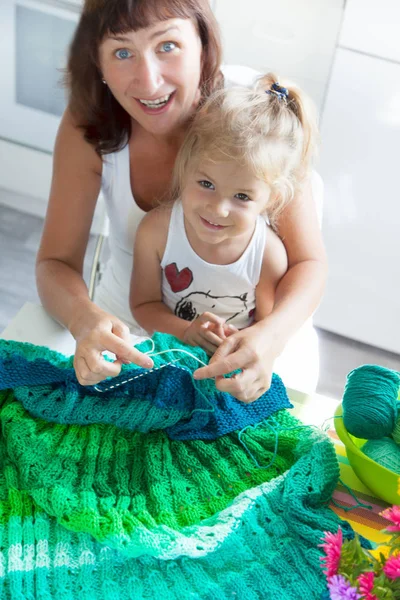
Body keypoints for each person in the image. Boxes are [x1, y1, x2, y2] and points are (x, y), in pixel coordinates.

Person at [36, 0, 327, 402]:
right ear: (97, 64)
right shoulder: (88, 123)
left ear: (203, 44)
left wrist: (269, 337)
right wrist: (84, 320)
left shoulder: (257, 115)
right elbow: (55, 264)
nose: (149, 81)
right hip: (129, 320)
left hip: (263, 326)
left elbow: (308, 263)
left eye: (167, 46)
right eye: (122, 52)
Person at [131, 75, 317, 394]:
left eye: (242, 197)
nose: (218, 210)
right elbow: (143, 305)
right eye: (207, 185)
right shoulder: (156, 231)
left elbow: (265, 330)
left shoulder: (268, 255)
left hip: (229, 370)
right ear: (185, 168)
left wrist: (235, 352)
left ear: (270, 200)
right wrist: (186, 331)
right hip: (166, 354)